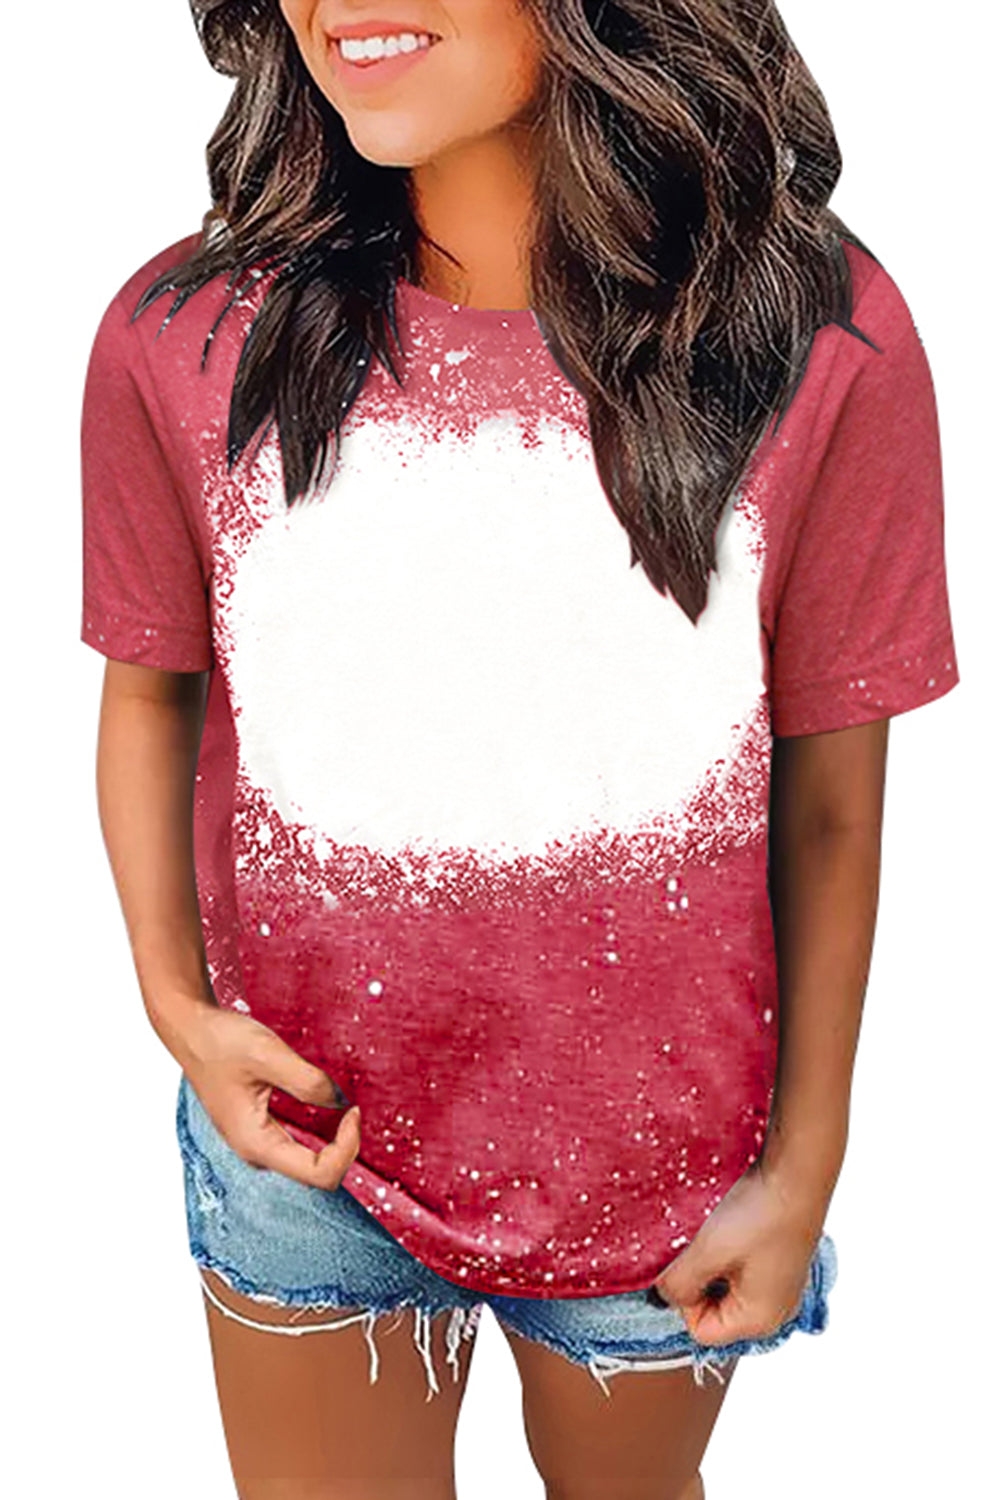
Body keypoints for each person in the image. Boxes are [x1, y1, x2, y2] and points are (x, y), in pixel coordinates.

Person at [79, 2, 959, 1496]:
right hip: (300, 1145)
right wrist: (179, 1011)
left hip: (663, 1177)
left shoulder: (815, 337)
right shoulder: (185, 337)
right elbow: (152, 694)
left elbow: (829, 801)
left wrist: (802, 1165)